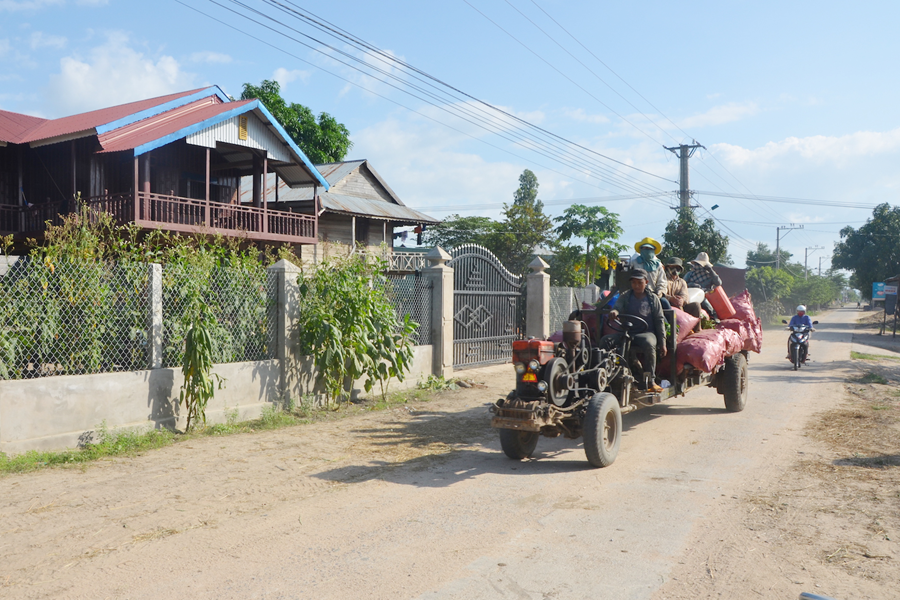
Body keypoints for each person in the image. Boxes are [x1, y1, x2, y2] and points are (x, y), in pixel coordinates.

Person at [604, 267, 667, 392]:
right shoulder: (625, 296)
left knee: (649, 344)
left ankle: (650, 380)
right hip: (627, 333)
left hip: (646, 333)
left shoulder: (653, 299)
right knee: (605, 341)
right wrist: (614, 312)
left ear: (646, 282)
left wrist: (663, 343)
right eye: (634, 282)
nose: (636, 285)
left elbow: (660, 321)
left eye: (639, 282)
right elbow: (617, 307)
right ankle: (605, 376)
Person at [631, 237, 669, 308]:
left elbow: (662, 282)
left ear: (653, 251)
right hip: (635, 293)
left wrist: (659, 294)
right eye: (644, 249)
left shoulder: (659, 265)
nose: (647, 251)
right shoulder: (634, 263)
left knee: (665, 303)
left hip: (654, 294)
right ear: (641, 250)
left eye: (649, 249)